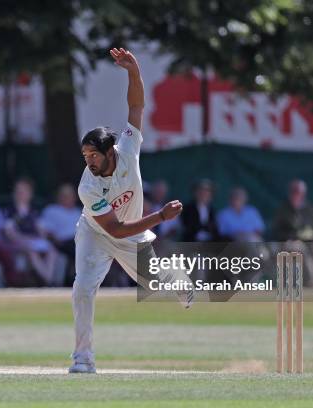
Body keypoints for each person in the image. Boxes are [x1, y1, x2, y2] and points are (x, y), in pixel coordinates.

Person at [71, 48, 188, 374]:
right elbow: (115, 230)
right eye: (85, 156)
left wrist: (134, 72)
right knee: (82, 290)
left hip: (132, 233)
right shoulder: (88, 187)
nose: (89, 161)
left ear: (109, 151)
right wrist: (161, 217)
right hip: (97, 233)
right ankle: (83, 360)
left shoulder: (128, 147)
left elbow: (136, 106)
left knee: (154, 284)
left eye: (93, 154)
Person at [3, 178, 58, 286]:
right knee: (32, 252)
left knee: (52, 251)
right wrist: (24, 240)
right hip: (17, 242)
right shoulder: (10, 210)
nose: (21, 194)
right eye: (19, 191)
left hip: (34, 240)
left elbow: (41, 230)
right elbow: (10, 233)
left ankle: (48, 278)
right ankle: (49, 281)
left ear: (30, 194)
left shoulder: (34, 211)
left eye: (24, 191)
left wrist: (44, 234)